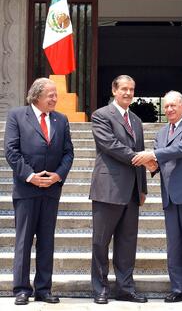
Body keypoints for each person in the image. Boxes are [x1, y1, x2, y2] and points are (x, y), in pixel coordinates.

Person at [132, 90, 182, 304]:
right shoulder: (161, 132)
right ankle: (179, 288)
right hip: (170, 195)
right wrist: (149, 164)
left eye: (173, 105)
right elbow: (159, 163)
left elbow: (181, 149)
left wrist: (153, 155)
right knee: (174, 245)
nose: (169, 109)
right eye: (166, 106)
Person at [4, 78, 74, 306]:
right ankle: (21, 289)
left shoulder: (61, 120)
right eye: (50, 95)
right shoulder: (17, 116)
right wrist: (31, 176)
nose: (55, 98)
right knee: (23, 240)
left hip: (51, 189)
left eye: (55, 95)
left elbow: (68, 153)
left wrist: (57, 175)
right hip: (26, 188)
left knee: (47, 241)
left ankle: (44, 289)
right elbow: (11, 151)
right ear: (36, 96)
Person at [90, 75, 148, 304]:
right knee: (100, 241)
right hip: (108, 188)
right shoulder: (101, 115)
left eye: (132, 89)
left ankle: (125, 288)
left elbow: (141, 151)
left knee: (127, 242)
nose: (128, 93)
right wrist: (139, 158)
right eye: (124, 89)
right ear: (114, 90)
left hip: (132, 191)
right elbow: (110, 146)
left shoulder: (135, 120)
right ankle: (100, 288)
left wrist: (142, 188)